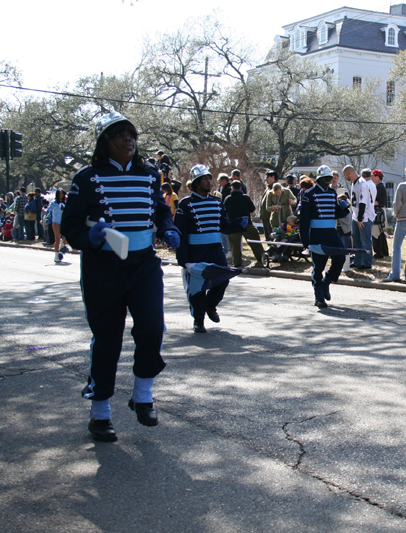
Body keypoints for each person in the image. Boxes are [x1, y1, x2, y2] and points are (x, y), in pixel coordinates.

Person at [60, 111, 181, 442]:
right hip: (103, 267)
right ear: (105, 141)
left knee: (153, 327)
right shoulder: (86, 177)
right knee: (108, 338)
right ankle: (100, 412)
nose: (128, 139)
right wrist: (90, 239)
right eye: (120, 134)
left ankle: (142, 393)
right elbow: (71, 225)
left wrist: (168, 228)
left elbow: (159, 211)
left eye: (132, 134)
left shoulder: (149, 174)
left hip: (143, 263)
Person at [174, 164, 247, 333]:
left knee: (223, 279)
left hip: (216, 249)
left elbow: (223, 226)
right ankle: (198, 320)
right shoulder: (185, 204)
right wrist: (183, 259)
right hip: (196, 250)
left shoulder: (217, 202)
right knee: (198, 286)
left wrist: (238, 224)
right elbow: (181, 233)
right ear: (196, 182)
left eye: (209, 178)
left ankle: (210, 305)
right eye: (204, 179)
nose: (209, 182)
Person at [299, 165, 350, 307]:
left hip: (332, 232)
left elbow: (335, 213)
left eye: (329, 178)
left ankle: (326, 282)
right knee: (318, 266)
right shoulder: (309, 194)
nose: (328, 181)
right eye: (325, 178)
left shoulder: (333, 193)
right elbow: (303, 220)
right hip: (317, 234)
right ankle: (319, 297)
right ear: (319, 179)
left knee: (340, 258)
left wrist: (343, 208)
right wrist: (305, 242)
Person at [224, 180, 265, 268]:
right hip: (246, 223)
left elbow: (225, 211)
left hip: (233, 224)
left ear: (232, 188)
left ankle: (237, 262)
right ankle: (261, 258)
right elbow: (252, 209)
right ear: (241, 187)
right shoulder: (245, 197)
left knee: (234, 245)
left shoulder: (228, 199)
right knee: (255, 241)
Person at [344, 165, 375, 270]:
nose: (345, 178)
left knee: (365, 241)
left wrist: (360, 219)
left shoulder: (362, 184)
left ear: (349, 173)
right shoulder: (355, 183)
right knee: (356, 240)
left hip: (364, 217)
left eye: (345, 175)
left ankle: (367, 262)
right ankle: (357, 261)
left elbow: (363, 203)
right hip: (356, 215)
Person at [371, 169, 390, 259]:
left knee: (376, 232)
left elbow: (376, 202)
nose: (371, 178)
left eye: (373, 176)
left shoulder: (379, 187)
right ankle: (384, 251)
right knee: (381, 233)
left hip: (378, 212)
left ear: (377, 177)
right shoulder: (380, 186)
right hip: (380, 211)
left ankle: (379, 253)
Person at [50, 189, 67, 262]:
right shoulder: (54, 203)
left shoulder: (65, 203)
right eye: (59, 193)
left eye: (62, 193)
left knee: (68, 235)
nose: (61, 195)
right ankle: (56, 255)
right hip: (56, 222)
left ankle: (63, 244)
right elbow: (48, 210)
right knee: (57, 238)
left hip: (64, 222)